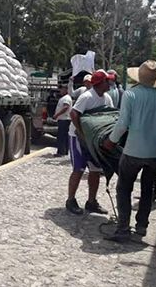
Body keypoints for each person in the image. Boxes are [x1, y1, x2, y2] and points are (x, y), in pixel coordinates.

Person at [103, 60, 156, 242]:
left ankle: (122, 229)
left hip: (135, 149)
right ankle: (142, 226)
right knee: (148, 188)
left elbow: (122, 123)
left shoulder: (131, 94)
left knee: (124, 188)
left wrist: (111, 141)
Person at [65, 70, 113, 215]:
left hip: (93, 140)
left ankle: (91, 202)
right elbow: (74, 114)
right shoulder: (87, 97)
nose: (110, 83)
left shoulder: (107, 98)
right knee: (78, 169)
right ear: (100, 83)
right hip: (78, 137)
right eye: (107, 81)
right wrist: (81, 132)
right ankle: (70, 200)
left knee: (95, 170)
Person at [52, 85, 72, 156]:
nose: (60, 91)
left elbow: (65, 107)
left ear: (66, 90)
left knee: (61, 136)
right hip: (65, 119)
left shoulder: (66, 98)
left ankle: (61, 152)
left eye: (62, 89)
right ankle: (65, 151)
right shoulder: (65, 97)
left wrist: (57, 115)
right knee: (65, 136)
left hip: (64, 119)